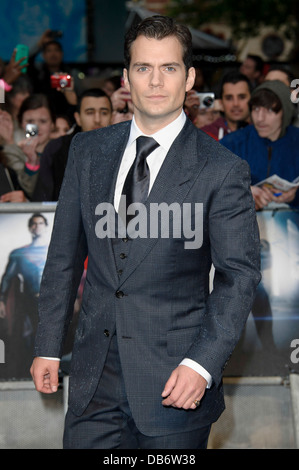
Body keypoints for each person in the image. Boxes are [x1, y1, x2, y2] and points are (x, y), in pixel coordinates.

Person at [30, 15, 261, 450]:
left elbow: (239, 277)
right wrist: (46, 344)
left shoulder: (222, 170)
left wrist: (202, 364)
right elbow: (62, 258)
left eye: (169, 68)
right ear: (126, 77)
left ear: (189, 77)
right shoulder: (87, 151)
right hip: (92, 384)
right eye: (143, 68)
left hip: (176, 383)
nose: (155, 81)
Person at [220, 80, 299, 209]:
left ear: (285, 113)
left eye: (269, 110)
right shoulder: (232, 143)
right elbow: (208, 184)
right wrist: (242, 192)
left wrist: (295, 196)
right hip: (243, 224)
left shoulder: (296, 141)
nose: (260, 118)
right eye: (256, 109)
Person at [32, 88, 113, 202]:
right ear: (78, 118)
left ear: (112, 117)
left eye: (104, 113)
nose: (97, 119)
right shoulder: (57, 148)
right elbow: (42, 199)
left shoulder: (124, 149)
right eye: (90, 112)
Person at [0, 213, 49, 376]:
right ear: (30, 227)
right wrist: (2, 300)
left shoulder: (55, 251)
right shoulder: (19, 254)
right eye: (34, 224)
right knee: (29, 337)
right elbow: (7, 278)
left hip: (54, 302)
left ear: (46, 226)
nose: (37, 227)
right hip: (30, 301)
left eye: (40, 223)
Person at [0, 93, 55, 199]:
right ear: (21, 123)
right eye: (30, 121)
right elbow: (20, 187)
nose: (37, 127)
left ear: (53, 124)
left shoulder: (62, 153)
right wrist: (9, 141)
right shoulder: (14, 151)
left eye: (43, 121)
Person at [200, 71, 251, 140]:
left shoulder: (263, 132)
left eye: (242, 97)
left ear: (251, 100)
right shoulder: (205, 135)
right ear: (221, 103)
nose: (235, 104)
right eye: (229, 98)